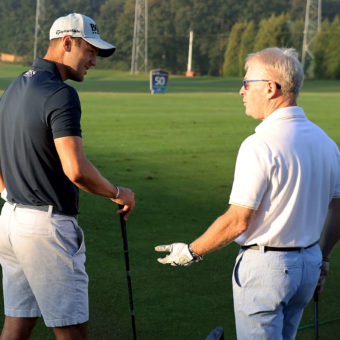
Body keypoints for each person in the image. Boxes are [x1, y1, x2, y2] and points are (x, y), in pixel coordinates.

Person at [155, 47, 340, 339]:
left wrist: (190, 252)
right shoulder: (327, 143)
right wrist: (324, 258)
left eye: (246, 83)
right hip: (309, 264)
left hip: (268, 270)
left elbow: (238, 220)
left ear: (270, 88)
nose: (240, 91)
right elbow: (338, 208)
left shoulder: (260, 144)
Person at [0, 13, 135, 340]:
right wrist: (117, 192)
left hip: (10, 221)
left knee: (18, 323)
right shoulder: (61, 94)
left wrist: (8, 193)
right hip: (46, 228)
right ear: (66, 42)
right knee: (71, 331)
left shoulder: (13, 87)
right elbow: (76, 170)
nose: (93, 60)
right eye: (89, 51)